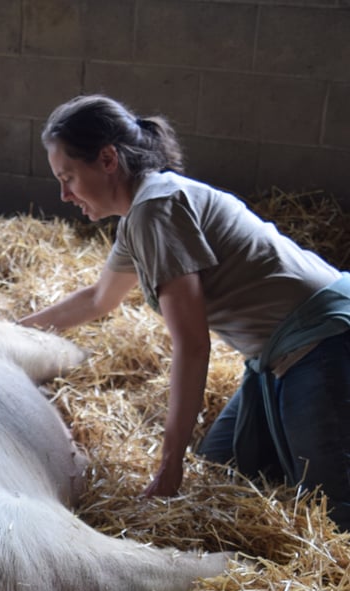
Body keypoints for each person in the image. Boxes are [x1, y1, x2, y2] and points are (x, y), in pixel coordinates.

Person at [19, 94, 350, 530]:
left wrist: (169, 461)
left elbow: (193, 345)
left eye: (68, 177)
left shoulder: (155, 210)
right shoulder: (140, 213)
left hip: (324, 342)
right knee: (218, 471)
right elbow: (100, 298)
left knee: (332, 514)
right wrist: (6, 334)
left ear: (107, 159)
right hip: (278, 358)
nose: (64, 194)